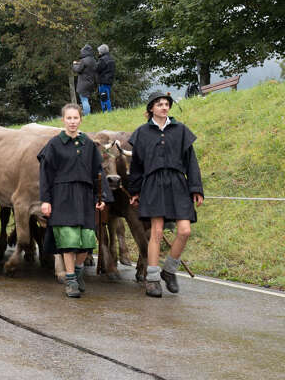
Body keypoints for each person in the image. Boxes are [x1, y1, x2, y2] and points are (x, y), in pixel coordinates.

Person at [128, 91, 204, 297]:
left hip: (178, 183)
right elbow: (136, 166)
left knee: (185, 230)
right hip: (153, 183)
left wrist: (196, 188)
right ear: (151, 108)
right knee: (157, 232)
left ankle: (169, 271)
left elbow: (191, 162)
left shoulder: (181, 130)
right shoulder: (142, 133)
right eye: (159, 104)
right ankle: (152, 279)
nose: (164, 107)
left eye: (166, 104)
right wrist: (134, 190)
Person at [38, 103, 112, 298]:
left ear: (81, 119)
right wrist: (45, 200)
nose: (72, 122)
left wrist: (101, 196)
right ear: (63, 120)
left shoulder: (88, 143)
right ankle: (71, 280)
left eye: (75, 118)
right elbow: (45, 174)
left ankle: (78, 272)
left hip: (85, 196)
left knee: (86, 242)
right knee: (69, 240)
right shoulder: (54, 144)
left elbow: (98, 171)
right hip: (62, 196)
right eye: (69, 118)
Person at [72, 44, 97, 116]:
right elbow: (87, 67)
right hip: (91, 82)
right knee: (86, 99)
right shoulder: (93, 60)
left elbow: (78, 70)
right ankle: (87, 114)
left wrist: (74, 64)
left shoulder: (83, 60)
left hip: (83, 83)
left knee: (84, 100)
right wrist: (79, 63)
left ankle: (87, 115)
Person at [96, 44, 115, 112]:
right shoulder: (111, 58)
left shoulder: (102, 59)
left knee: (104, 97)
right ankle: (108, 111)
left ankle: (107, 111)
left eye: (99, 51)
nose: (98, 53)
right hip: (109, 80)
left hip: (103, 81)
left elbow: (97, 68)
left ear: (101, 51)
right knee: (107, 96)